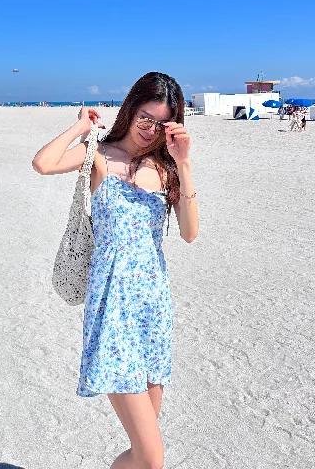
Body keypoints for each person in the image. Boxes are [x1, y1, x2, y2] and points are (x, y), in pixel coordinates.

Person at [32, 72, 199, 469]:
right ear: (131, 109)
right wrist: (80, 126)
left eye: (162, 124)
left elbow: (190, 233)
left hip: (153, 307)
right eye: (145, 119)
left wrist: (184, 162)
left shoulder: (167, 168)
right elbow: (43, 163)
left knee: (145, 451)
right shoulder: (99, 157)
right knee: (154, 457)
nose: (151, 131)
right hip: (112, 307)